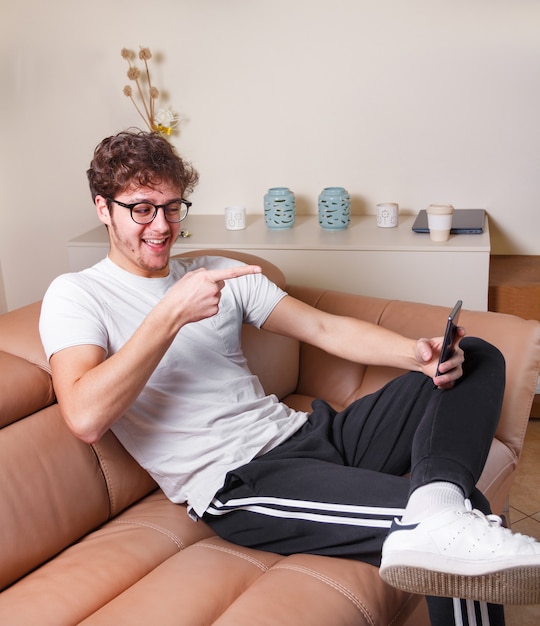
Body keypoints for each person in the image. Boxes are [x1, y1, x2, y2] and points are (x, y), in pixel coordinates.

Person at [39, 130, 540, 626]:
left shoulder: (217, 273)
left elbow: (323, 327)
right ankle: (442, 515)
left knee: (473, 356)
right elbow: (85, 416)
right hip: (241, 480)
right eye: (141, 208)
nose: (161, 225)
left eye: (172, 207)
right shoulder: (77, 295)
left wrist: (417, 356)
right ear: (103, 208)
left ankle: (438, 500)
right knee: (456, 521)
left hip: (309, 432)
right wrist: (170, 315)